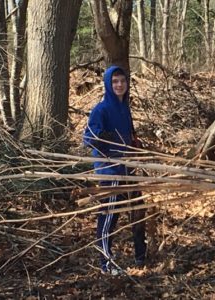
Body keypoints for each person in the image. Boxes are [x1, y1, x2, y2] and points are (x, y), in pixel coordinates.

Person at [83, 65, 146, 275]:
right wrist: (105, 138)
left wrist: (134, 143)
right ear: (108, 85)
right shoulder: (101, 109)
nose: (119, 85)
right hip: (110, 170)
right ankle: (106, 263)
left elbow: (129, 134)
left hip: (128, 167)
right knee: (110, 215)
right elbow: (89, 137)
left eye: (122, 81)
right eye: (115, 82)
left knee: (138, 208)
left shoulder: (124, 107)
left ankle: (141, 256)